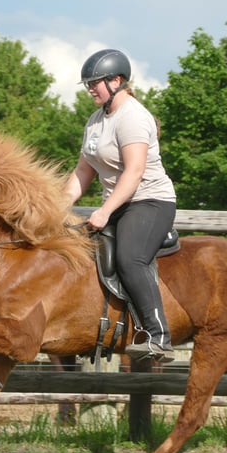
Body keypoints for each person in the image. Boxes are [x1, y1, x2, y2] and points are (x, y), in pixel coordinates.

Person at [65, 48, 177, 363]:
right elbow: (82, 172)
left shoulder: (134, 117)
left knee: (130, 260)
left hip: (149, 201)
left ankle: (158, 337)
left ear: (117, 81)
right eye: (87, 84)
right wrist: (55, 205)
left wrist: (103, 211)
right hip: (117, 204)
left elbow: (134, 172)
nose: (90, 89)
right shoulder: (95, 120)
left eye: (95, 83)